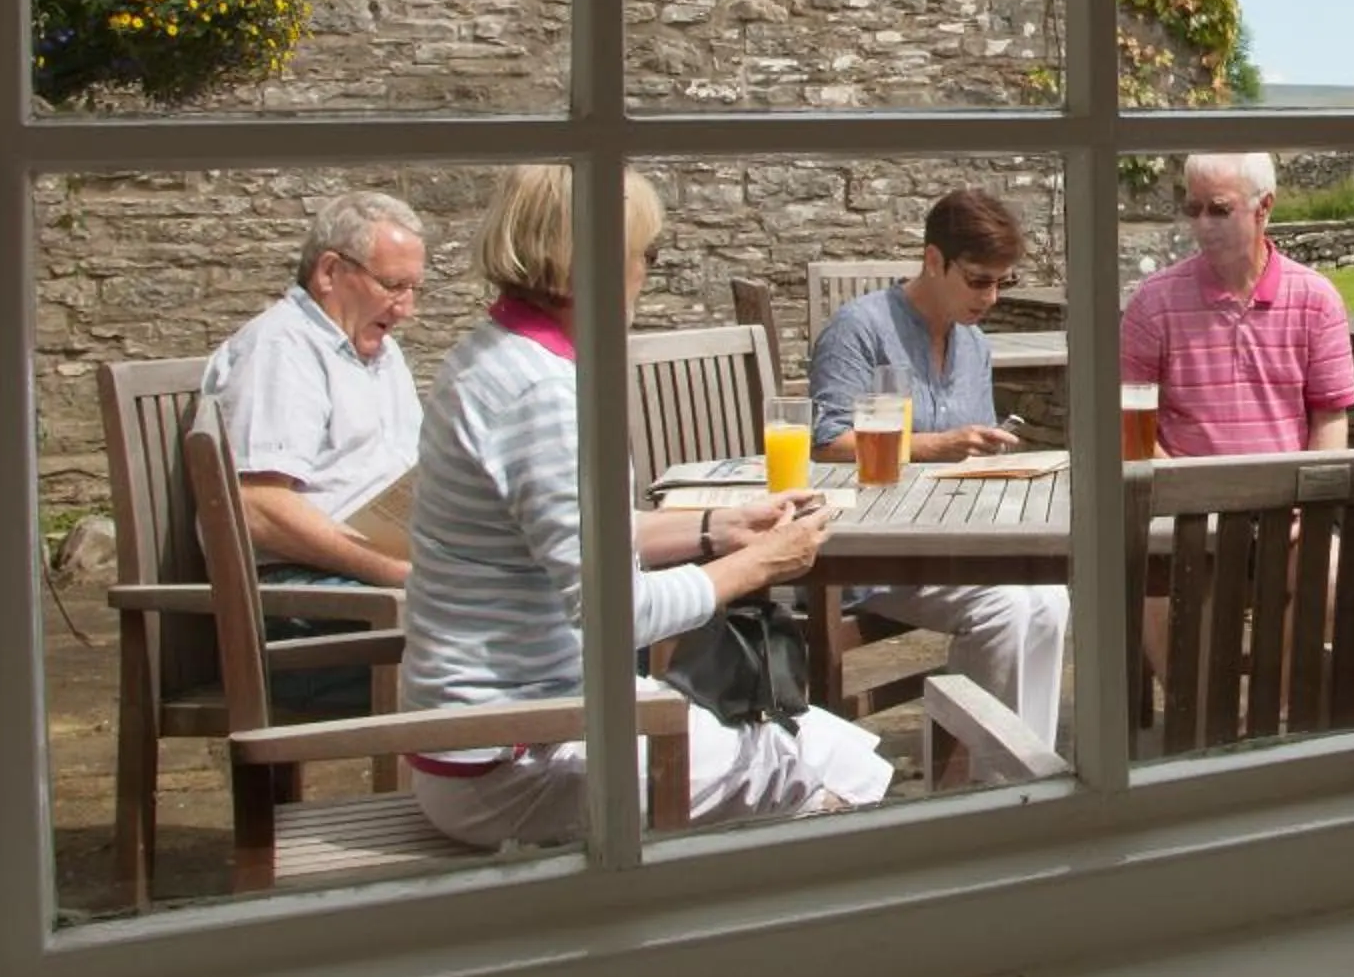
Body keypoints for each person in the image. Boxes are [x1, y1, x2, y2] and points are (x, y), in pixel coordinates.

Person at [401, 165, 890, 847]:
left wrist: (719, 527)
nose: (645, 272)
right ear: (599, 259)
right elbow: (615, 614)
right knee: (844, 773)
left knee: (832, 747)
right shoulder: (544, 394)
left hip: (496, 738)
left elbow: (576, 536)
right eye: (647, 253)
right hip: (516, 761)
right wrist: (758, 566)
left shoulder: (495, 357)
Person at [807, 188, 1067, 759]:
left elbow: (971, 454)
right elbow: (826, 444)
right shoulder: (860, 329)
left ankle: (1028, 770)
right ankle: (981, 779)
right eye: (978, 281)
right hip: (873, 548)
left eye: (1001, 283)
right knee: (1006, 607)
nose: (990, 298)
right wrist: (936, 446)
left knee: (1050, 597)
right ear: (933, 260)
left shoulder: (974, 344)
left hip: (954, 540)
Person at [199, 190, 429, 710]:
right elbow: (255, 507)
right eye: (394, 286)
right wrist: (394, 572)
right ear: (330, 272)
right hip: (301, 613)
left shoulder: (381, 352)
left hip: (370, 589)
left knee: (548, 616)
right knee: (517, 644)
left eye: (414, 289)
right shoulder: (281, 349)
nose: (407, 309)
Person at [1119, 152, 1354, 458]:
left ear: (1264, 206)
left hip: (1284, 489)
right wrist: (1182, 484)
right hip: (1182, 489)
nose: (1203, 224)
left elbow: (1330, 417)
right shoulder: (1153, 303)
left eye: (1219, 210)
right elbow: (1128, 423)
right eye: (1193, 209)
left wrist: (1312, 487)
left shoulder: (1317, 301)